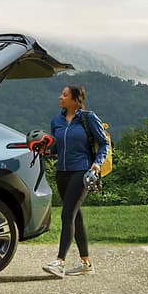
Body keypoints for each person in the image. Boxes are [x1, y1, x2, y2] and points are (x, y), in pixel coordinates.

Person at [42, 85, 109, 278]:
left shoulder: (88, 118)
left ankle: (60, 262)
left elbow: (104, 143)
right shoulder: (57, 121)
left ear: (75, 99)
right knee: (75, 215)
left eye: (64, 95)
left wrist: (97, 164)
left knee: (67, 213)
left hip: (82, 171)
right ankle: (86, 263)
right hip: (62, 172)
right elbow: (56, 148)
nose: (60, 97)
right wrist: (45, 150)